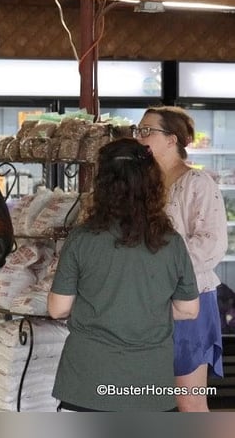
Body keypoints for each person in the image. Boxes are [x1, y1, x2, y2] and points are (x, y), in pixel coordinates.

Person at [48, 138, 199, 411]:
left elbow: (58, 309)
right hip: (151, 386)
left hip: (86, 385)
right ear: (152, 184)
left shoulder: (81, 239)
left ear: (102, 184)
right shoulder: (171, 241)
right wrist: (143, 308)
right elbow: (189, 309)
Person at [135, 106, 228, 411]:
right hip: (147, 303)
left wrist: (159, 266)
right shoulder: (142, 185)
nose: (140, 136)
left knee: (187, 401)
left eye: (147, 130)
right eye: (138, 130)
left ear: (171, 139)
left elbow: (212, 243)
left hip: (189, 300)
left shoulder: (197, 183)